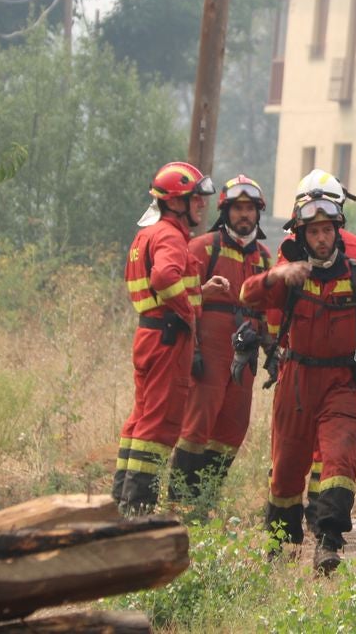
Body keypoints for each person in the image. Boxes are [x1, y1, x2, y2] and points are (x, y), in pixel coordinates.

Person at [241, 186, 356, 575]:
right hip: (296, 383)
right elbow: (246, 295)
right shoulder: (290, 279)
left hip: (342, 383)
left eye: (328, 231)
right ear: (302, 236)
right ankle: (281, 548)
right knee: (286, 471)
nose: (322, 239)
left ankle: (329, 541)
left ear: (338, 232)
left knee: (339, 459)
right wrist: (277, 275)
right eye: (313, 232)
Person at [114, 161, 227, 515]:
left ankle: (121, 499)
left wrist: (199, 292)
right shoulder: (169, 235)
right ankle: (139, 507)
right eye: (195, 199)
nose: (202, 205)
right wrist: (188, 310)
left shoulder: (146, 234)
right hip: (167, 338)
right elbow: (164, 278)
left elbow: (160, 284)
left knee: (140, 418)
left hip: (149, 333)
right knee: (160, 422)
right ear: (175, 202)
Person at [169, 175, 273, 506]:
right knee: (197, 426)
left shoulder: (265, 258)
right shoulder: (203, 248)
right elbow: (179, 300)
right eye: (238, 209)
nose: (244, 216)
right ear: (225, 212)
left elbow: (272, 310)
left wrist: (274, 350)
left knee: (232, 429)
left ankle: (205, 499)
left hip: (245, 355)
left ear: (258, 213)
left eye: (250, 209)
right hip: (209, 354)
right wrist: (192, 350)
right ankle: (179, 500)